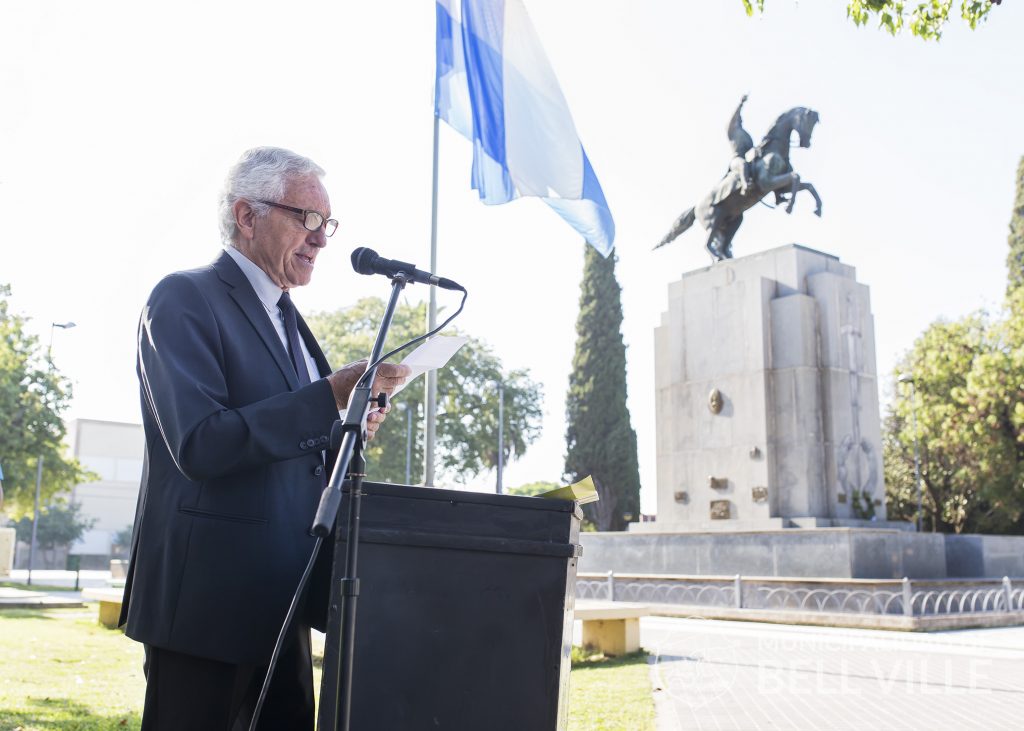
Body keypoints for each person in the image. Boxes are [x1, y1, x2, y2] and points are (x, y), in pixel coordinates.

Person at [119, 147, 411, 730]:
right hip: (207, 607)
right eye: (306, 217)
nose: (322, 238)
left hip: (285, 603)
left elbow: (291, 446)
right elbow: (201, 442)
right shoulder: (184, 298)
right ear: (247, 216)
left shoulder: (291, 319)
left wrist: (347, 425)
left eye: (327, 223)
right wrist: (327, 396)